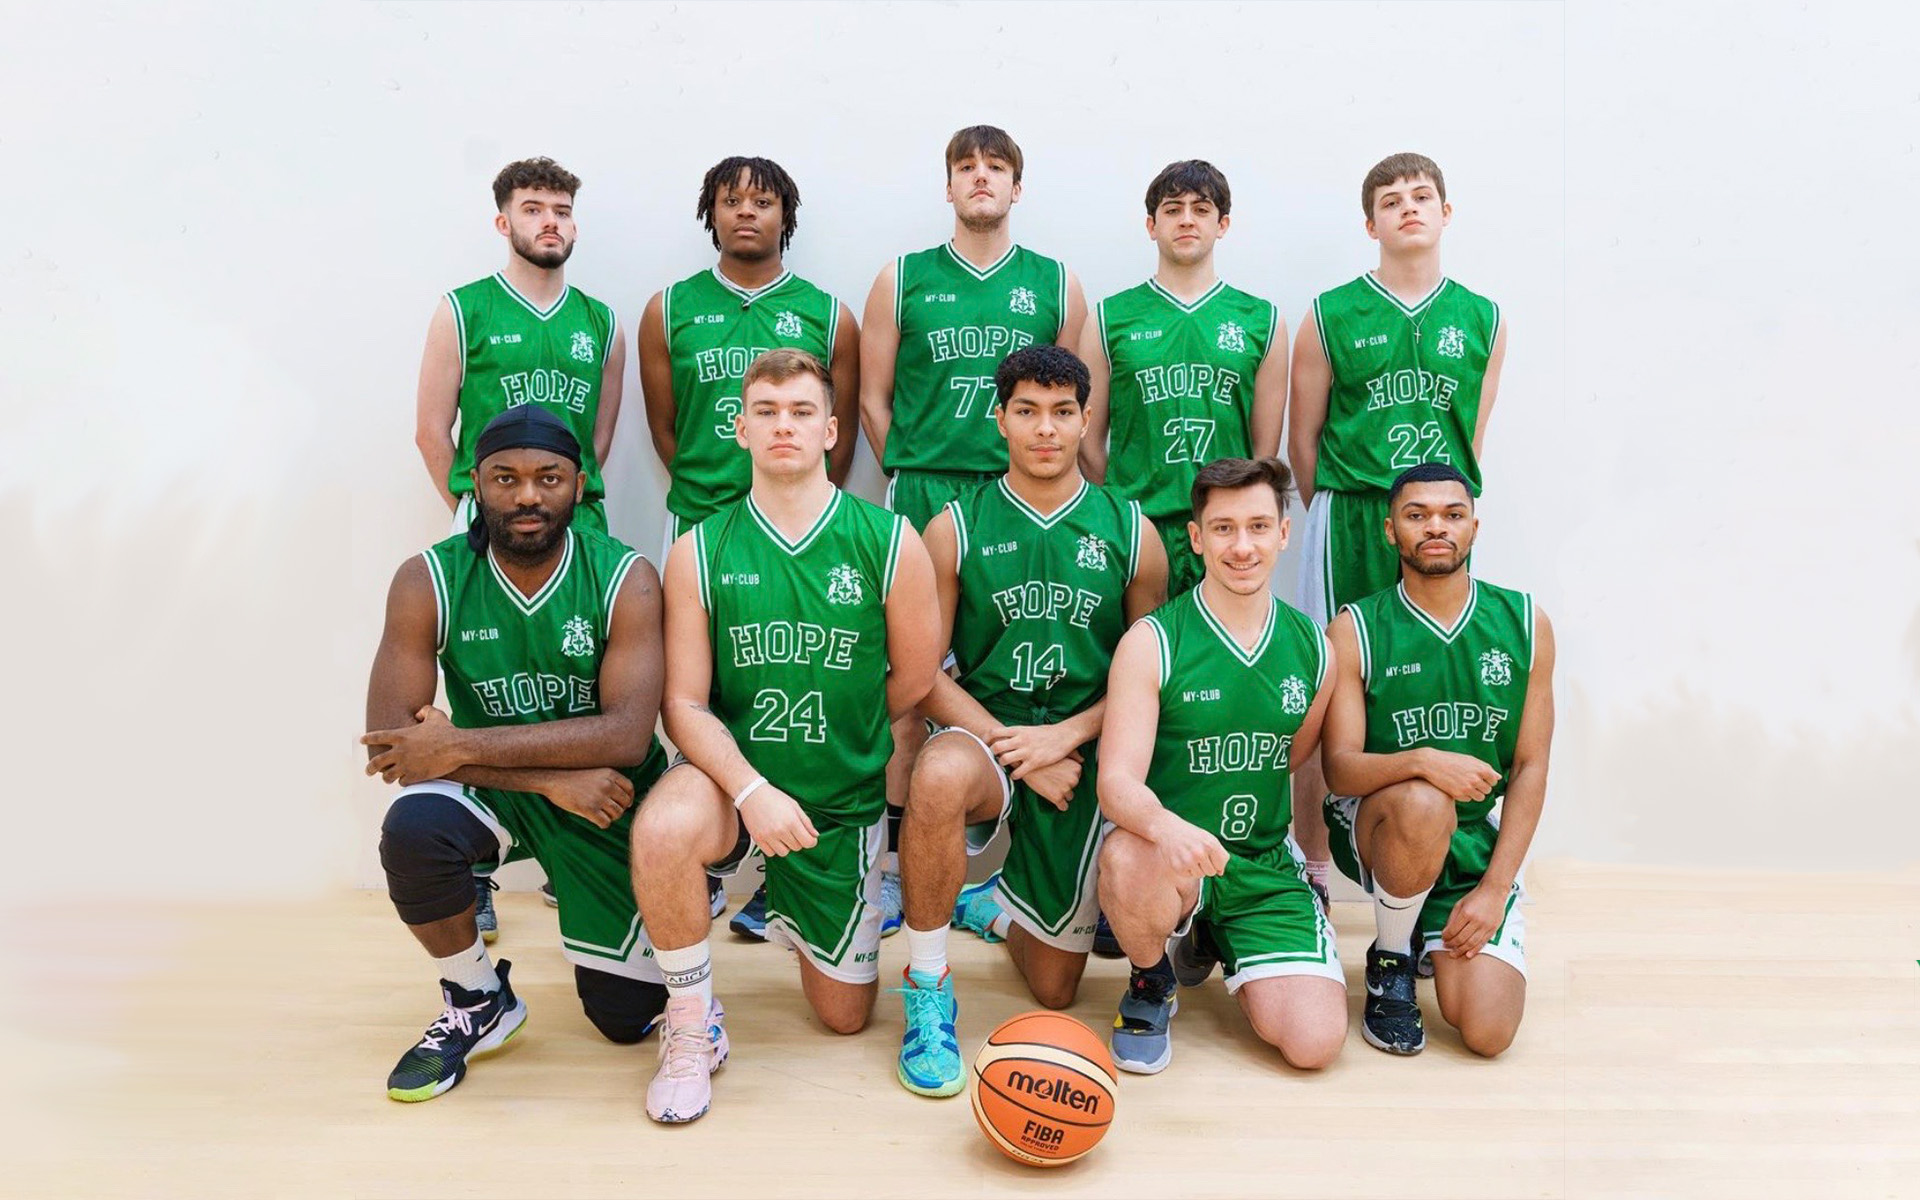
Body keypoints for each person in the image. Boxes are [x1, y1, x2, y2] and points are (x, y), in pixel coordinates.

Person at [629, 349, 939, 1123]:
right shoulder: (697, 549)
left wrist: (843, 733)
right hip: (736, 790)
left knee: (842, 1018)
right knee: (663, 826)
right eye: (765, 411)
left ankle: (802, 914)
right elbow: (685, 705)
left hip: (839, 801)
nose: (783, 426)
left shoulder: (889, 538)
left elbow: (914, 676)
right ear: (738, 428)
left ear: (832, 430)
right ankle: (693, 1023)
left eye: (801, 411)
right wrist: (752, 787)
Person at [365, 406, 670, 1102]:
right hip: (523, 786)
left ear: (579, 486)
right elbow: (393, 748)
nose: (528, 495)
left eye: (548, 478)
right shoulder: (427, 580)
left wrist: (454, 745)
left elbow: (625, 734)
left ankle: (675, 890)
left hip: (607, 796)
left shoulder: (626, 575)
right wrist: (543, 780)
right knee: (414, 829)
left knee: (624, 1020)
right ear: (475, 482)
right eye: (505, 478)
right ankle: (477, 1000)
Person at [893, 344, 1167, 1096]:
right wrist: (1019, 750)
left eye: (1062, 412)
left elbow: (1152, 678)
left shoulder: (1133, 531)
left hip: (1081, 743)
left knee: (1054, 990)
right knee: (939, 772)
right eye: (1026, 411)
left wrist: (1064, 737)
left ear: (1086, 420)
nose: (1045, 428)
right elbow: (920, 677)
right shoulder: (953, 526)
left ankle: (994, 904)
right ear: (1000, 420)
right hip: (988, 730)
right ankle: (927, 986)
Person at [859, 125, 1090, 935]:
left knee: (1021, 672)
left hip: (1015, 492)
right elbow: (873, 392)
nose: (981, 178)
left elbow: (1070, 400)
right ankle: (891, 869)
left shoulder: (1056, 283)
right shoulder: (903, 277)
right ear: (948, 184)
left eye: (997, 167)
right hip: (924, 487)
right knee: (908, 680)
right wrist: (907, 466)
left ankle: (1008, 870)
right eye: (967, 166)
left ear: (1017, 188)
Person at [637, 154, 861, 937]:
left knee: (799, 684)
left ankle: (779, 872)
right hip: (704, 518)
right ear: (711, 211)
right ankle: (707, 851)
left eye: (762, 202)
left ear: (784, 215)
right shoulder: (669, 309)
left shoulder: (829, 313)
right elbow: (666, 427)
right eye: (730, 201)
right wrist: (715, 496)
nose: (745, 214)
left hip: (800, 529)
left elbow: (846, 429)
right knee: (697, 693)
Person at [1287, 151, 1511, 908]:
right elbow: (1303, 443)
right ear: (1370, 222)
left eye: (1422, 195)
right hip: (1350, 512)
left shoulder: (1484, 318)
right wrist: (1350, 512)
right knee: (1327, 687)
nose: (1407, 206)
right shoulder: (1328, 313)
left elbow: (1470, 442)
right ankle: (1314, 868)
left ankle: (1436, 864)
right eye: (1390, 199)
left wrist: (1439, 517)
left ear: (1446, 212)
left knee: (1436, 677)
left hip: (1437, 525)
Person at [414, 157, 629, 936]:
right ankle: (472, 864)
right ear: (503, 222)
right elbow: (431, 430)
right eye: (534, 209)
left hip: (579, 525)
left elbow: (597, 441)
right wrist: (479, 512)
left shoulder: (603, 322)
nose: (551, 222)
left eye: (563, 210)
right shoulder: (463, 309)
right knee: (474, 682)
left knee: (587, 691)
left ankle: (574, 861)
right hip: (488, 524)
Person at [1095, 457, 1345, 1075]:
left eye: (1259, 527)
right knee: (1126, 855)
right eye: (1224, 528)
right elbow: (1115, 783)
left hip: (1259, 864)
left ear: (1284, 533)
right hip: (1168, 857)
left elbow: (1297, 759)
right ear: (1197, 537)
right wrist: (1165, 828)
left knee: (1314, 1046)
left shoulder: (1314, 646)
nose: (1242, 546)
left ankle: (1213, 933)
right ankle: (1153, 980)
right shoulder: (1152, 641)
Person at [1320, 461, 1554, 1057]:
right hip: (1383, 821)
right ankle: (1392, 958)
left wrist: (1495, 889)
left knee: (1487, 1031)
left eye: (1452, 515)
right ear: (1389, 531)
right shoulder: (1356, 628)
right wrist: (1423, 761)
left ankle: (1435, 927)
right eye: (1416, 515)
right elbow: (1340, 768)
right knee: (1425, 800)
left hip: (1474, 844)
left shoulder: (1525, 623)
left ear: (1475, 526)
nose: (1436, 528)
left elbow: (1529, 767)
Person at [1081, 159, 1287, 598]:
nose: (1187, 219)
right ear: (1151, 225)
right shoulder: (1108, 317)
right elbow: (1086, 438)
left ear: (1222, 224)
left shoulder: (1262, 320)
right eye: (1173, 209)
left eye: (1201, 208)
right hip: (1138, 524)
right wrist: (1121, 504)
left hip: (1224, 529)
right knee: (1137, 656)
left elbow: (1263, 451)